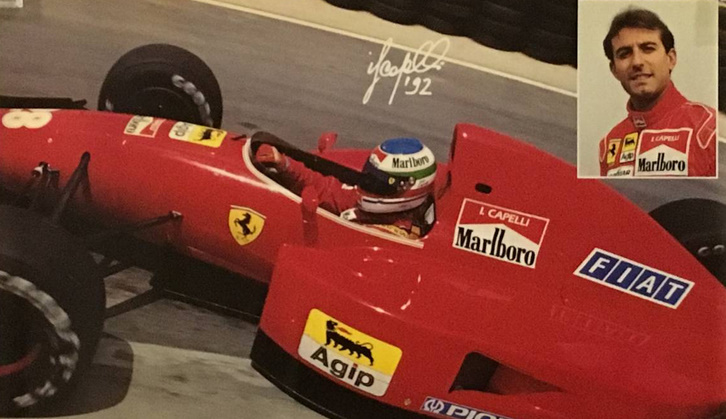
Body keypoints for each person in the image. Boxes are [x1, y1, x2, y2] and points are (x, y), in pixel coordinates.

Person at [598, 7, 716, 177]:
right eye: (624, 54)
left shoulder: (707, 128)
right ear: (614, 70)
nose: (637, 62)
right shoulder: (609, 143)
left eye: (648, 48)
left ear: (671, 59)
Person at [255, 137, 437, 239]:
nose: (369, 184)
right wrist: (284, 164)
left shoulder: (389, 236)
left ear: (410, 188)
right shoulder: (372, 203)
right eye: (371, 176)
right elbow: (327, 189)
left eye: (381, 182)